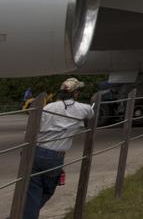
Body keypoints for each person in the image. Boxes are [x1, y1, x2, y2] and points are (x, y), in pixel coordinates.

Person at [23, 77, 94, 219]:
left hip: (36, 151)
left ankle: (23, 214)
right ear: (76, 93)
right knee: (48, 190)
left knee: (33, 191)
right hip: (55, 156)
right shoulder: (82, 109)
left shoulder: (49, 108)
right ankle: (23, 215)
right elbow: (91, 113)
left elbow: (33, 128)